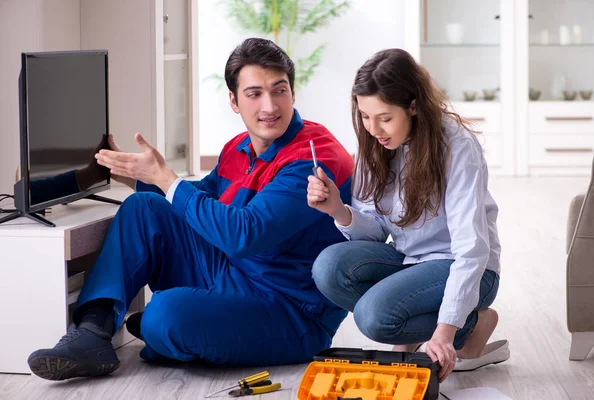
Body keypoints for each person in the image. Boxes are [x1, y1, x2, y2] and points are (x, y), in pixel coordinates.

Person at [27, 37, 354, 381]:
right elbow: (201, 197)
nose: (270, 106)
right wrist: (136, 176)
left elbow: (245, 233)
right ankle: (92, 332)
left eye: (279, 90)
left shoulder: (316, 158)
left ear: (293, 93)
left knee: (165, 315)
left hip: (291, 310)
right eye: (254, 94)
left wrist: (168, 179)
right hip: (231, 272)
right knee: (144, 207)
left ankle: (176, 330)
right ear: (234, 101)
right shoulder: (238, 147)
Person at [306, 48, 507, 383]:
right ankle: (415, 320)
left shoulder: (457, 146)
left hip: (466, 266)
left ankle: (469, 325)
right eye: (365, 117)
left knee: (374, 318)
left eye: (385, 118)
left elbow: (471, 250)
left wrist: (443, 333)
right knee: (328, 268)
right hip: (410, 259)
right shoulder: (376, 144)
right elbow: (377, 233)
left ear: (413, 105)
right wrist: (337, 210)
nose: (373, 129)